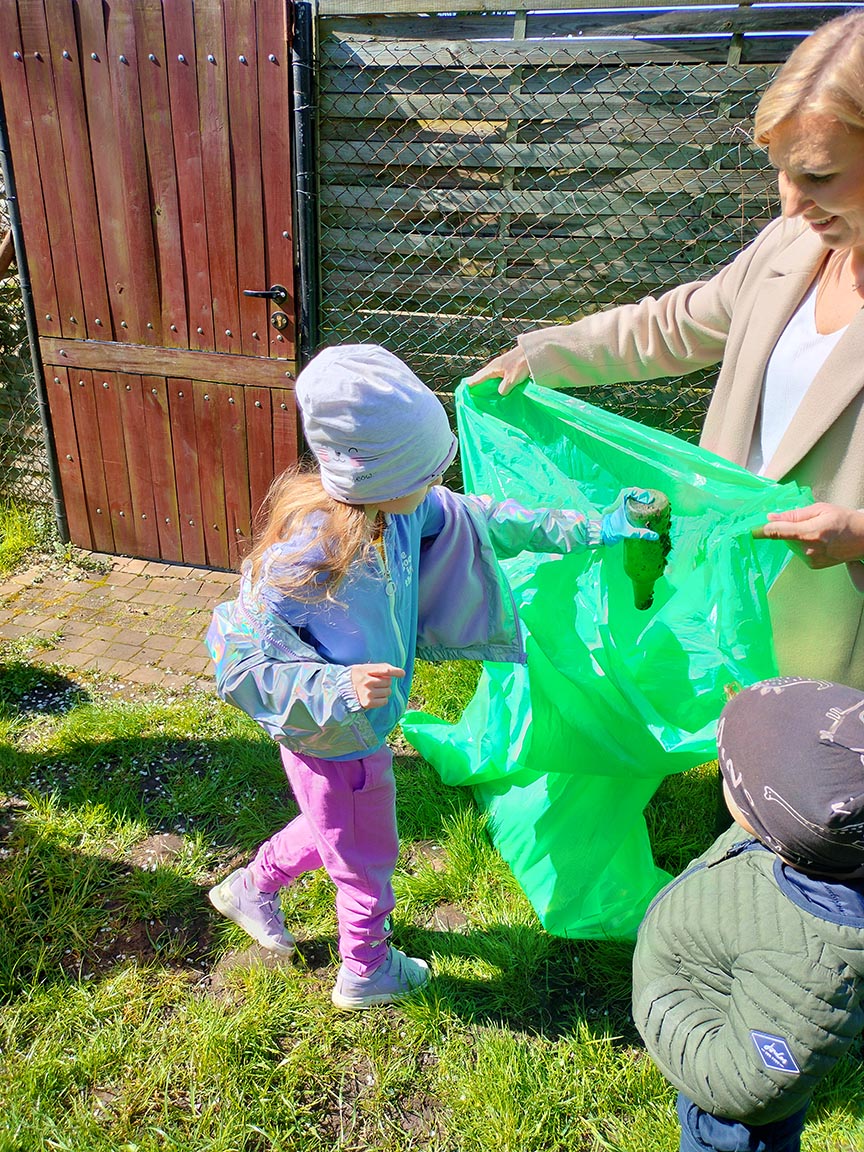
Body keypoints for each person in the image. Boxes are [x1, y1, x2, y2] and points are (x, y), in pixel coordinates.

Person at [204, 343, 655, 1010]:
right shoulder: (310, 550)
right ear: (376, 474)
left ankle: (251, 887)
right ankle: (366, 970)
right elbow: (240, 660)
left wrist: (600, 528)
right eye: (427, 469)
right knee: (367, 857)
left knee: (337, 828)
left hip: (359, 728)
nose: (441, 480)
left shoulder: (403, 509)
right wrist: (337, 689)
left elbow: (493, 520)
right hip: (333, 737)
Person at [466, 11, 864, 690]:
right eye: (780, 172)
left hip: (835, 622)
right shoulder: (791, 245)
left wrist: (858, 532)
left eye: (819, 175)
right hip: (733, 591)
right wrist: (545, 355)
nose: (791, 204)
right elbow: (677, 325)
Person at [631, 675, 864, 1152]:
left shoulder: (808, 971)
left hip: (729, 1125)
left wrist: (661, 1004)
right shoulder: (813, 847)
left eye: (729, 775)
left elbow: (747, 1086)